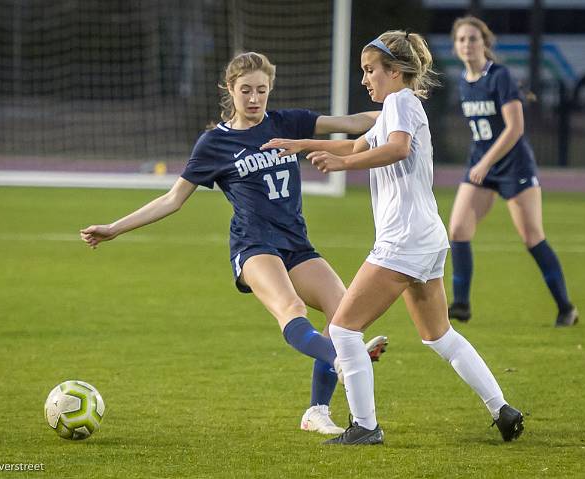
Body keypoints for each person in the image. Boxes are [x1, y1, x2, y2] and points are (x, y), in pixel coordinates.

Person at [80, 52, 388, 436]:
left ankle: (316, 411)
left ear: (270, 89)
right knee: (291, 309)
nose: (255, 98)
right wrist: (114, 227)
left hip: (296, 244)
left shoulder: (287, 122)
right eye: (246, 90)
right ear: (230, 89)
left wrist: (403, 106)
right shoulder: (214, 143)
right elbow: (172, 199)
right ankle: (343, 361)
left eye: (262, 90)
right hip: (253, 246)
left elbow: (357, 122)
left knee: (342, 313)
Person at [262, 30, 524, 445]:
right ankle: (503, 409)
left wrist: (340, 166)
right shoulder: (395, 109)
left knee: (345, 330)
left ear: (396, 72)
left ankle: (365, 426)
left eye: (370, 71)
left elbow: (398, 149)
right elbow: (356, 145)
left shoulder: (401, 102)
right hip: (425, 236)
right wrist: (300, 144)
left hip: (402, 239)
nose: (365, 80)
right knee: (439, 336)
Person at [447, 16, 578, 327]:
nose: (467, 44)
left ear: (485, 43)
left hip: (513, 167)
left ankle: (566, 308)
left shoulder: (500, 76)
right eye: (462, 39)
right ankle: (461, 305)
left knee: (532, 237)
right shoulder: (465, 81)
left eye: (473, 39)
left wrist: (486, 162)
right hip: (482, 166)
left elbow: (515, 128)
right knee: (457, 231)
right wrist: (481, 163)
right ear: (455, 46)